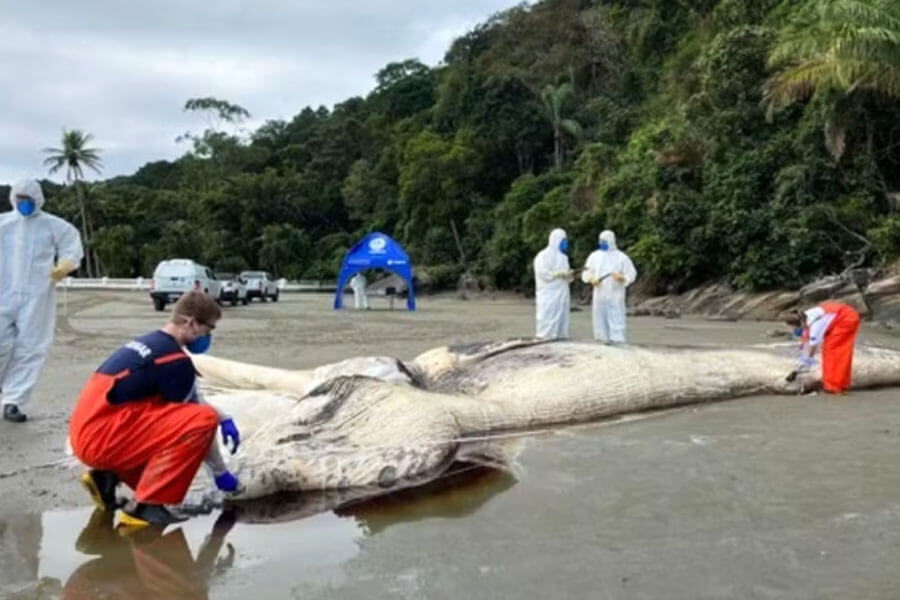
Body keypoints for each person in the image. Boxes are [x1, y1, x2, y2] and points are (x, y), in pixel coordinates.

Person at [69, 291, 242, 528]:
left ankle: (106, 478)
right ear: (191, 323)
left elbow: (193, 399)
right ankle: (146, 507)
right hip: (102, 439)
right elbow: (196, 421)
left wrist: (226, 417)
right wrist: (220, 472)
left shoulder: (149, 344)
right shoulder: (174, 362)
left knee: (169, 417)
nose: (208, 336)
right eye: (208, 330)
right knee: (203, 420)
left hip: (87, 431)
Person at [0, 179, 83, 423]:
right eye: (20, 198)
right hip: (3, 290)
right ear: (13, 198)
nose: (24, 204)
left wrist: (66, 264)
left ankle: (12, 400)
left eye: (29, 199)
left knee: (30, 347)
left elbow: (72, 245)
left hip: (37, 294)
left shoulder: (52, 225)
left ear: (38, 199)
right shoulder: (3, 224)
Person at [785, 302, 861, 393]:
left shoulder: (815, 325)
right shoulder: (805, 316)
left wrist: (808, 359)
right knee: (835, 350)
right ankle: (840, 383)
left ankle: (834, 385)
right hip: (840, 315)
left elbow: (813, 346)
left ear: (800, 323)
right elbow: (807, 336)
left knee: (833, 351)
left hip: (846, 319)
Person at [580, 230, 637, 344]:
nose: (602, 243)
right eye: (600, 241)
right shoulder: (594, 256)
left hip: (615, 293)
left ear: (611, 241)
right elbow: (585, 272)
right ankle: (601, 338)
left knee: (616, 315)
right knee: (599, 315)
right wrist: (591, 279)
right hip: (599, 293)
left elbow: (632, 274)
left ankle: (617, 339)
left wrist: (622, 277)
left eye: (604, 241)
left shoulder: (621, 257)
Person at [533, 228, 573, 339]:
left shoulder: (564, 258)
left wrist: (569, 275)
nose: (565, 243)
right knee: (548, 315)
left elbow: (566, 276)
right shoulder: (543, 256)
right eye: (563, 240)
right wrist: (558, 273)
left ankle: (561, 335)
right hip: (548, 293)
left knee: (562, 315)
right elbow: (542, 273)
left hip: (562, 293)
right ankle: (546, 336)